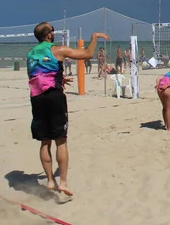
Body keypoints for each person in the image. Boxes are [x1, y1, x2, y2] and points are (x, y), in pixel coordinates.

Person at [27, 22, 109, 196]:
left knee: (44, 142)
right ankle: (63, 182)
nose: (54, 32)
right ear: (48, 34)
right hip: (54, 97)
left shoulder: (30, 54)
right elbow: (87, 54)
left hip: (36, 98)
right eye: (52, 30)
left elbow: (38, 76)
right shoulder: (57, 49)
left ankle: (50, 180)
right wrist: (94, 37)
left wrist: (58, 79)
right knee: (61, 140)